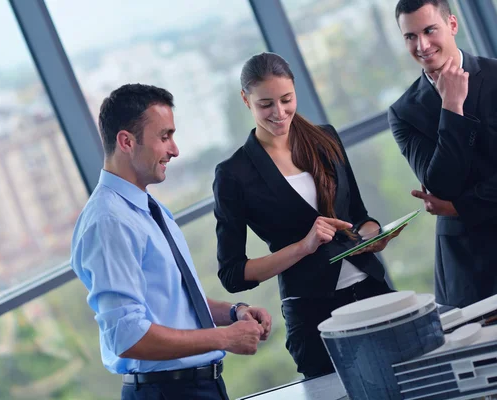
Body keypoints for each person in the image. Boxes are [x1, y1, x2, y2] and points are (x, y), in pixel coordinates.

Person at [70, 83, 272, 400]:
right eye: (164, 137)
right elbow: (128, 336)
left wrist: (234, 313)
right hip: (167, 392)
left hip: (196, 387)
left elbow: (176, 304)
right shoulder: (110, 223)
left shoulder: (148, 209)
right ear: (126, 141)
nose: (174, 150)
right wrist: (223, 339)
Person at [212, 52, 403, 379]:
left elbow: (359, 215)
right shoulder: (233, 174)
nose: (279, 112)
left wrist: (373, 236)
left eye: (286, 99)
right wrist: (303, 246)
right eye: (266, 104)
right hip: (314, 315)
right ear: (246, 100)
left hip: (373, 291)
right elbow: (233, 274)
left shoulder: (325, 138)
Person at [389, 0, 497, 308]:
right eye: (410, 36)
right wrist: (452, 107)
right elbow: (442, 186)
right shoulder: (403, 112)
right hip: (468, 264)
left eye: (429, 30)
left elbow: (450, 197)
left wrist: (459, 206)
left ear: (452, 25)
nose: (421, 45)